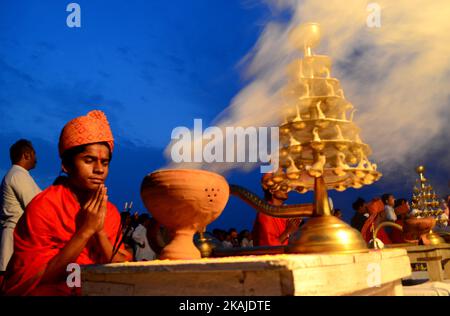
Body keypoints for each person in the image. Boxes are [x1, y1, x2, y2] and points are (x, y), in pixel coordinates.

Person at [1, 110, 132, 296]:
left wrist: (99, 230)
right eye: (89, 160)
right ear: (66, 165)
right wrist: (85, 231)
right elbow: (35, 278)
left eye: (105, 162)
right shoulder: (44, 206)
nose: (99, 169)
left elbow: (120, 267)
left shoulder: (109, 211)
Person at [0, 139, 41, 278]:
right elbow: (36, 206)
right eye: (34, 154)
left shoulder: (20, 175)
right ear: (26, 155)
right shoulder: (18, 175)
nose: (36, 158)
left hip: (18, 239)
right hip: (14, 240)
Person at [252, 174, 303, 247]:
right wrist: (288, 231)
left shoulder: (285, 212)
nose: (286, 188)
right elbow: (268, 246)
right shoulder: (265, 214)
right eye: (281, 186)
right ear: (272, 191)